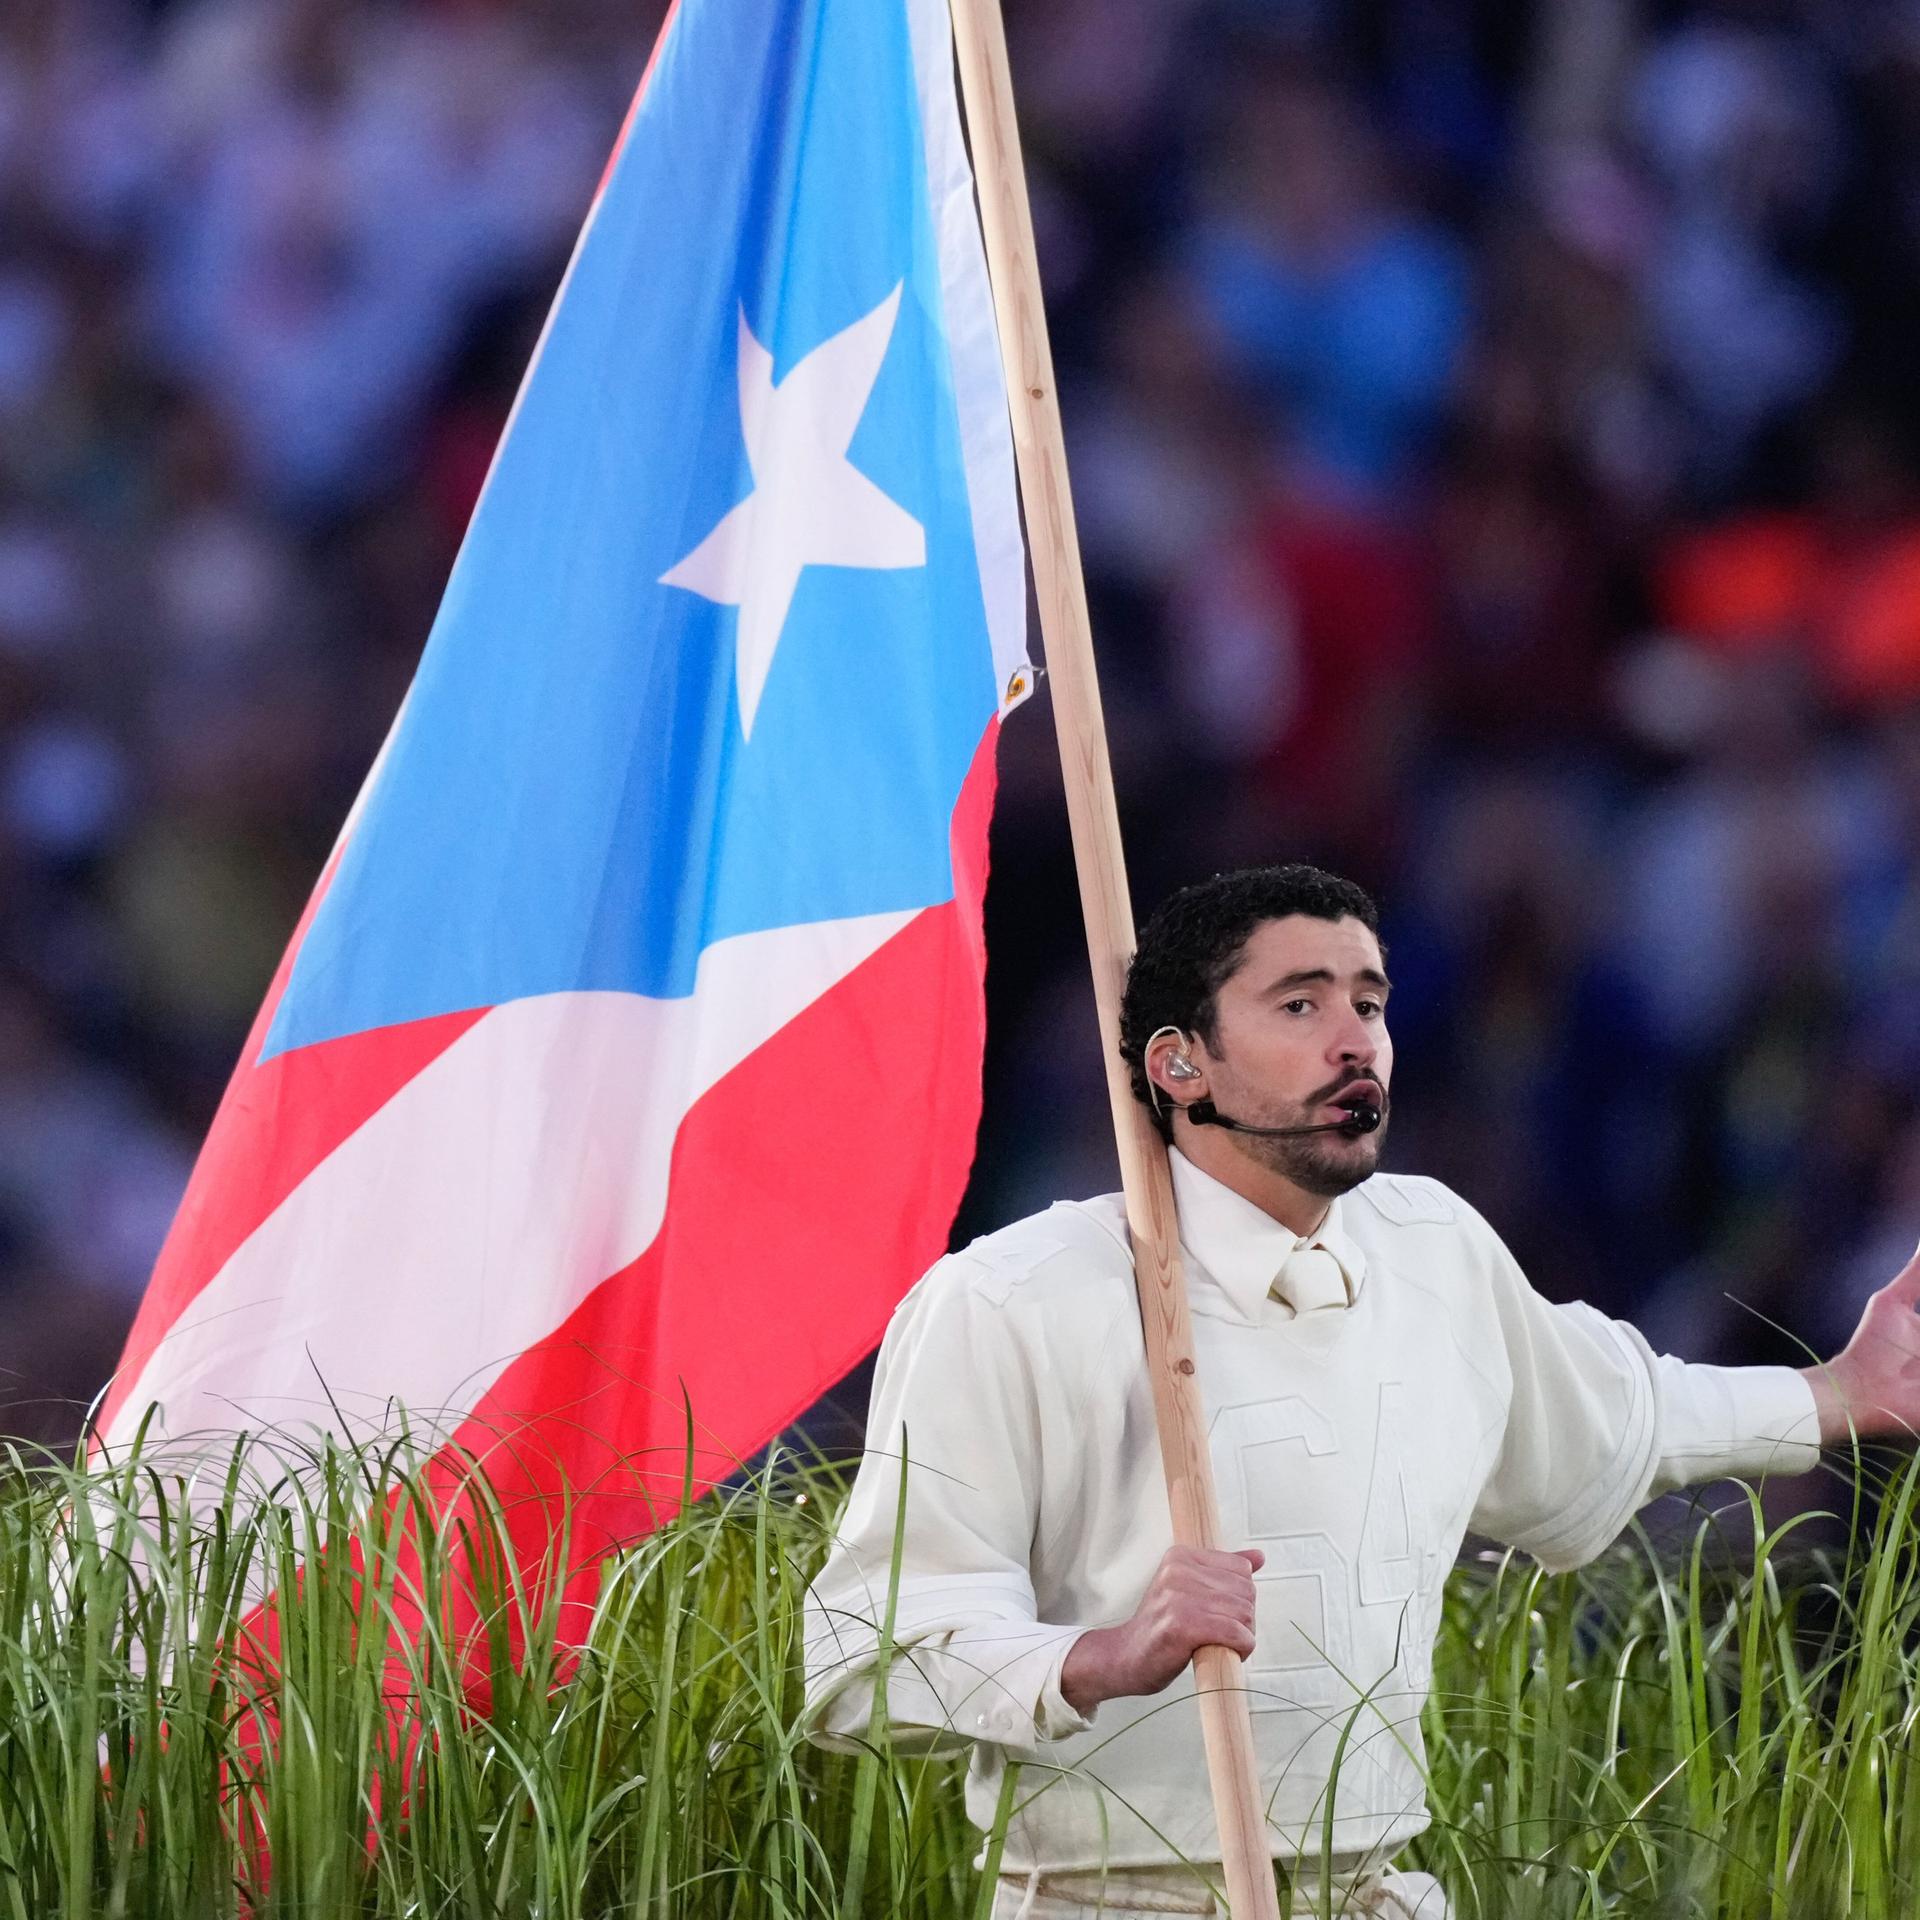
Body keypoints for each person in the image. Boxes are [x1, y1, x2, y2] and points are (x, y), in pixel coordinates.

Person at [800, 864, 1920, 1918]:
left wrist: (1841, 1391)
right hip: (1107, 1901)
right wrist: (1104, 1656)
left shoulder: (1434, 1244)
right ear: (1178, 1064)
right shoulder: (1008, 1297)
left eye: (1370, 1003)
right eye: (1300, 1004)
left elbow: (1621, 1412)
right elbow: (861, 1661)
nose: (1356, 1041)